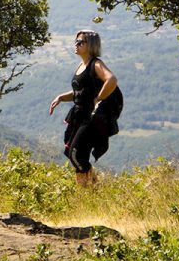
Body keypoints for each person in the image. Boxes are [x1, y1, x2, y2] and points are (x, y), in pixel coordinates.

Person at [49, 29, 123, 186]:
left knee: (75, 154)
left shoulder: (96, 64)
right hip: (79, 115)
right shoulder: (81, 65)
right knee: (72, 153)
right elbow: (81, 92)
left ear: (91, 45)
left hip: (91, 117)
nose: (76, 45)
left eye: (80, 42)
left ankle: (91, 189)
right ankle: (91, 191)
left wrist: (99, 99)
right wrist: (62, 97)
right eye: (76, 41)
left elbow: (112, 80)